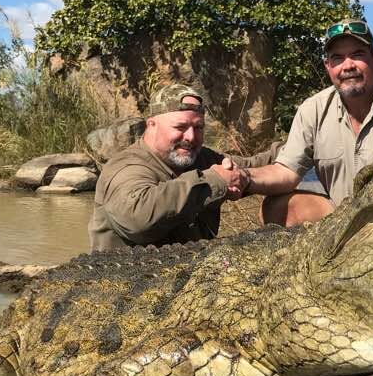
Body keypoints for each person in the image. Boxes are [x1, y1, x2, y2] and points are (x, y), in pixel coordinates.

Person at [246, 18, 373, 226]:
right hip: (340, 221)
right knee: (276, 207)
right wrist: (243, 178)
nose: (348, 66)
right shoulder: (313, 109)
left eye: (357, 55)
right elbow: (286, 171)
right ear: (327, 66)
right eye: (337, 58)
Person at [88, 84, 278, 251]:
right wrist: (214, 181)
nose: (191, 137)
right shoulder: (128, 166)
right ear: (151, 125)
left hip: (190, 279)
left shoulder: (202, 158)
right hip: (123, 284)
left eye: (199, 128)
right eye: (180, 127)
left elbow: (254, 166)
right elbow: (137, 217)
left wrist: (300, 143)